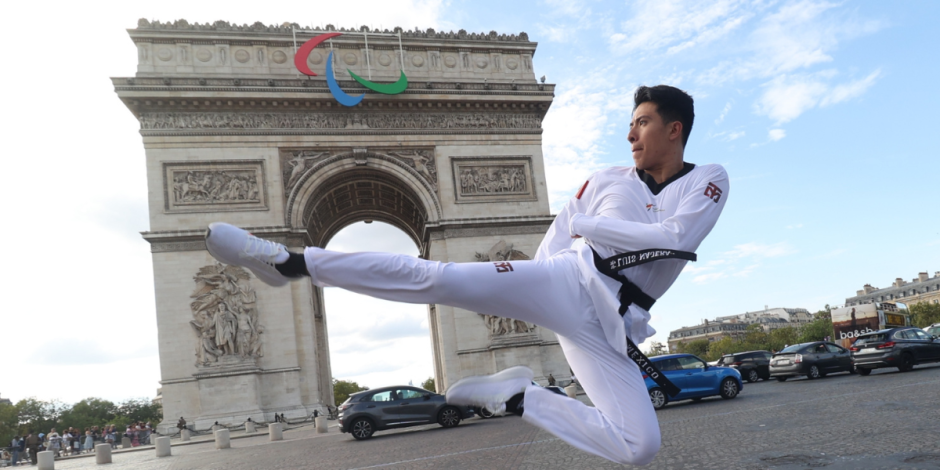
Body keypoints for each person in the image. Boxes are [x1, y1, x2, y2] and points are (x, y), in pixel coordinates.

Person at [204, 85, 728, 465]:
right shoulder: (608, 178)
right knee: (440, 277)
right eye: (632, 122)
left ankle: (518, 397)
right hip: (567, 282)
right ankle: (289, 261)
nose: (631, 133)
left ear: (674, 127)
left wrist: (594, 227)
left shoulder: (709, 178)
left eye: (642, 122)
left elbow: (678, 239)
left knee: (640, 446)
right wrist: (525, 281)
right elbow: (558, 236)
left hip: (614, 325)